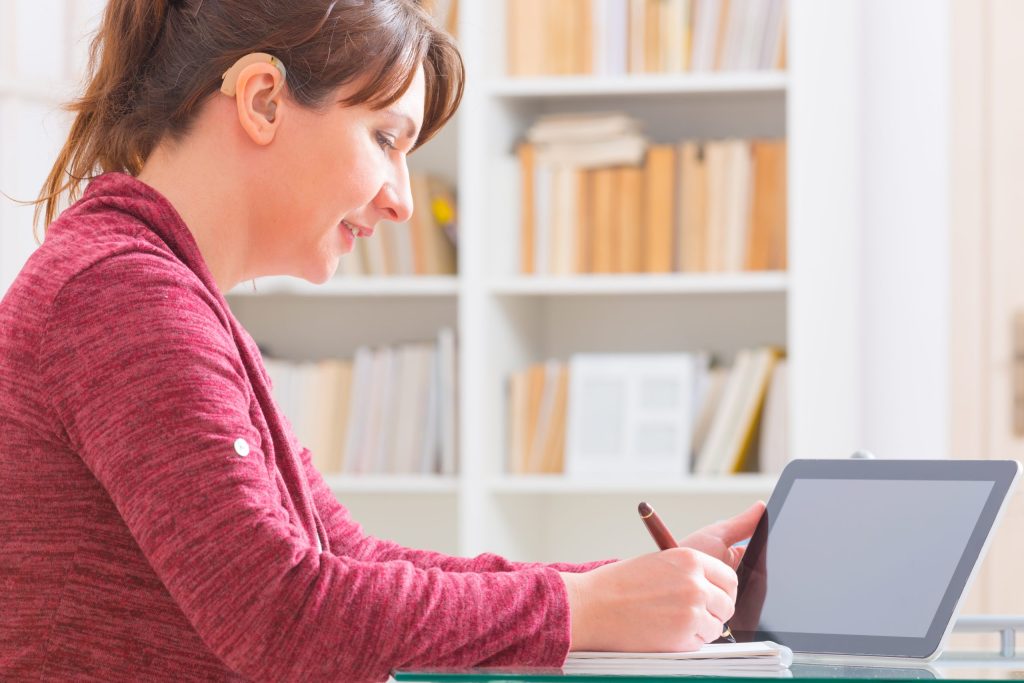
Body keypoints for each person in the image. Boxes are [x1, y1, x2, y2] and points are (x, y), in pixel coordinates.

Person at [0, 1, 766, 680]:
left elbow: (347, 562)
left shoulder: (157, 290)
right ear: (263, 99)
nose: (402, 200)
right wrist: (583, 605)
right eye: (385, 138)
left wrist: (629, 587)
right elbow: (283, 614)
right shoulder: (120, 294)